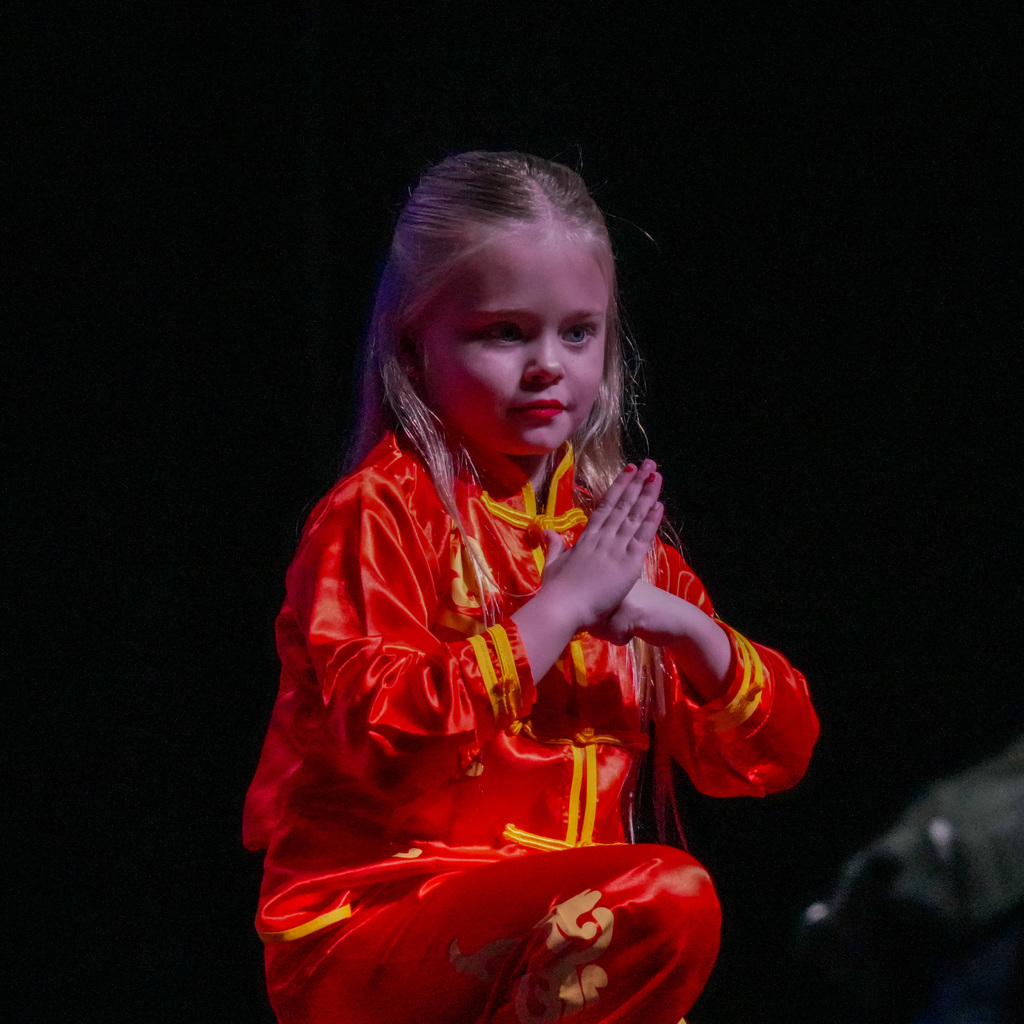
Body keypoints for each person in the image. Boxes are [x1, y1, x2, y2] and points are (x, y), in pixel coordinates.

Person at [243, 150, 819, 1024]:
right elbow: (384, 741)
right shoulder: (378, 514)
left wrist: (675, 623)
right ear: (415, 346)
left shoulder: (613, 539)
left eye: (578, 333)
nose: (548, 364)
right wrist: (556, 612)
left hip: (562, 936)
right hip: (372, 924)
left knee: (654, 914)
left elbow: (775, 753)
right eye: (506, 333)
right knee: (663, 896)